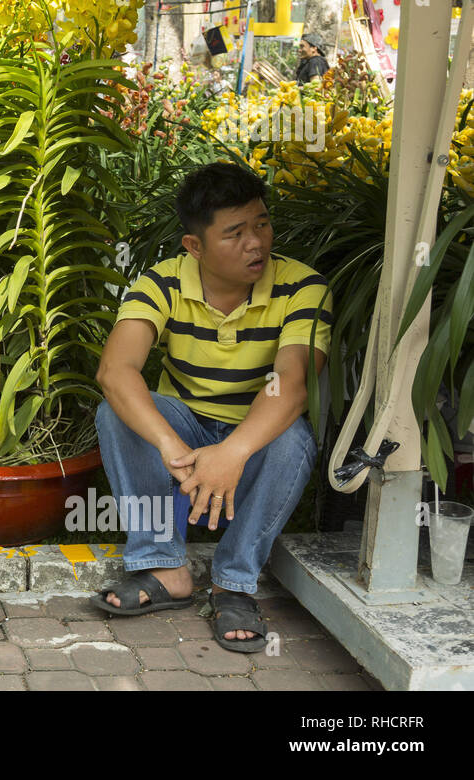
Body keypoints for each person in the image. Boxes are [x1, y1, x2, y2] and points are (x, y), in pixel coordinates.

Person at [90, 162, 331, 653]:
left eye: (261, 223)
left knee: (294, 437)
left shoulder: (303, 287)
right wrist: (172, 446)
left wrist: (233, 452)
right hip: (184, 440)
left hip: (253, 444)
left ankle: (234, 582)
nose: (256, 243)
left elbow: (294, 381)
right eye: (235, 232)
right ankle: (163, 566)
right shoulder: (162, 283)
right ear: (194, 246)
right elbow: (116, 371)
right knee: (116, 410)